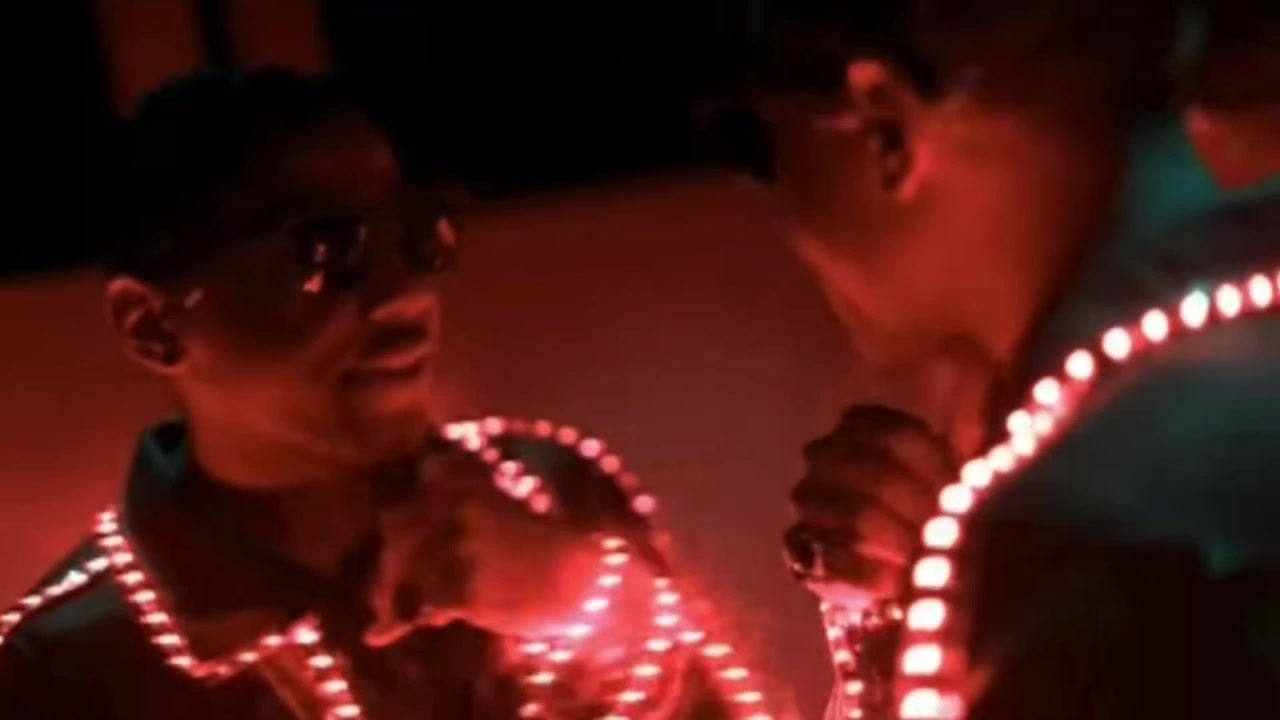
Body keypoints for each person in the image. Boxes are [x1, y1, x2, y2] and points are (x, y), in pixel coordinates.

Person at [0, 68, 755, 719]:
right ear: (153, 325)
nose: (408, 294)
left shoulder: (548, 488)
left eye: (419, 233)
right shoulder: (66, 665)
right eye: (325, 249)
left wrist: (591, 601)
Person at [747, 0, 1278, 717]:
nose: (781, 218)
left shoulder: (1158, 450)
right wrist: (899, 616)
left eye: (762, 151)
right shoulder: (1124, 396)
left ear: (883, 129)